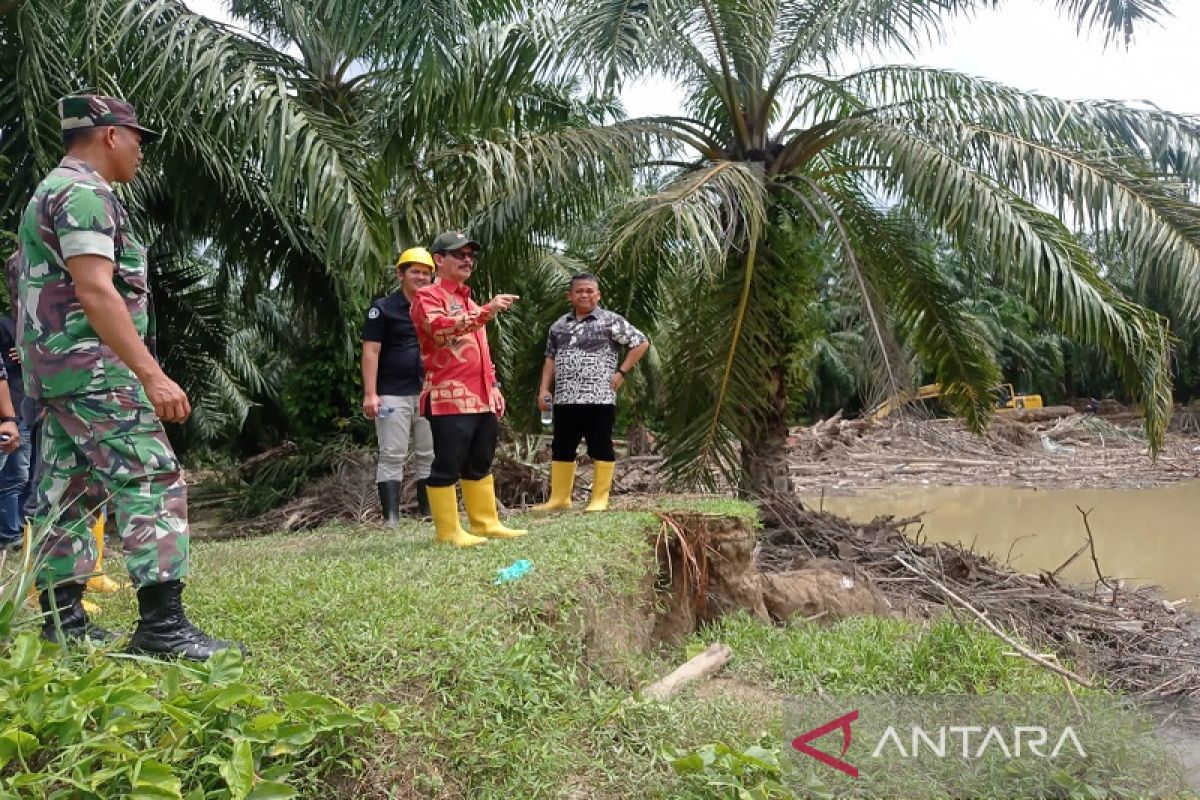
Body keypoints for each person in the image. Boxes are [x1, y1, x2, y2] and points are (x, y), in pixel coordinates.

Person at [16, 94, 242, 659]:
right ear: (110, 134)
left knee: (65, 492)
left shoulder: (51, 190)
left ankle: (63, 625)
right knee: (151, 476)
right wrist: (151, 374)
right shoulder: (85, 194)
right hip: (94, 368)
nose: (141, 150)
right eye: (137, 138)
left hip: (60, 370)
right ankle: (162, 629)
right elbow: (95, 289)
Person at [409, 230, 527, 546]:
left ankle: (486, 523)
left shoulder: (468, 300)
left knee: (480, 460)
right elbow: (438, 331)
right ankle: (448, 532)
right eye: (459, 254)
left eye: (470, 255)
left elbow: (483, 352)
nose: (467, 260)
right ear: (438, 260)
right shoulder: (427, 297)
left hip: (482, 395)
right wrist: (486, 311)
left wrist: (494, 386)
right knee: (448, 462)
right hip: (448, 396)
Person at [533, 273, 648, 513]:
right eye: (579, 291)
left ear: (598, 295)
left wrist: (621, 373)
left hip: (599, 397)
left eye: (589, 291)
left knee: (601, 445)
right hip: (565, 397)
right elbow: (550, 359)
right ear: (570, 295)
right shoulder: (559, 325)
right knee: (562, 446)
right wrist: (544, 388)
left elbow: (641, 343)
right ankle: (560, 498)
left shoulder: (611, 321)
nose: (584, 295)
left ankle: (600, 498)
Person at [361, 247, 436, 524]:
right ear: (400, 274)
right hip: (392, 393)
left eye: (426, 273)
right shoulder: (383, 308)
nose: (421, 277)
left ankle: (428, 512)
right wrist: (370, 393)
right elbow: (371, 352)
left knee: (428, 454)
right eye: (415, 271)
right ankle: (391, 517)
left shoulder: (434, 306)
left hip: (429, 390)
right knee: (392, 454)